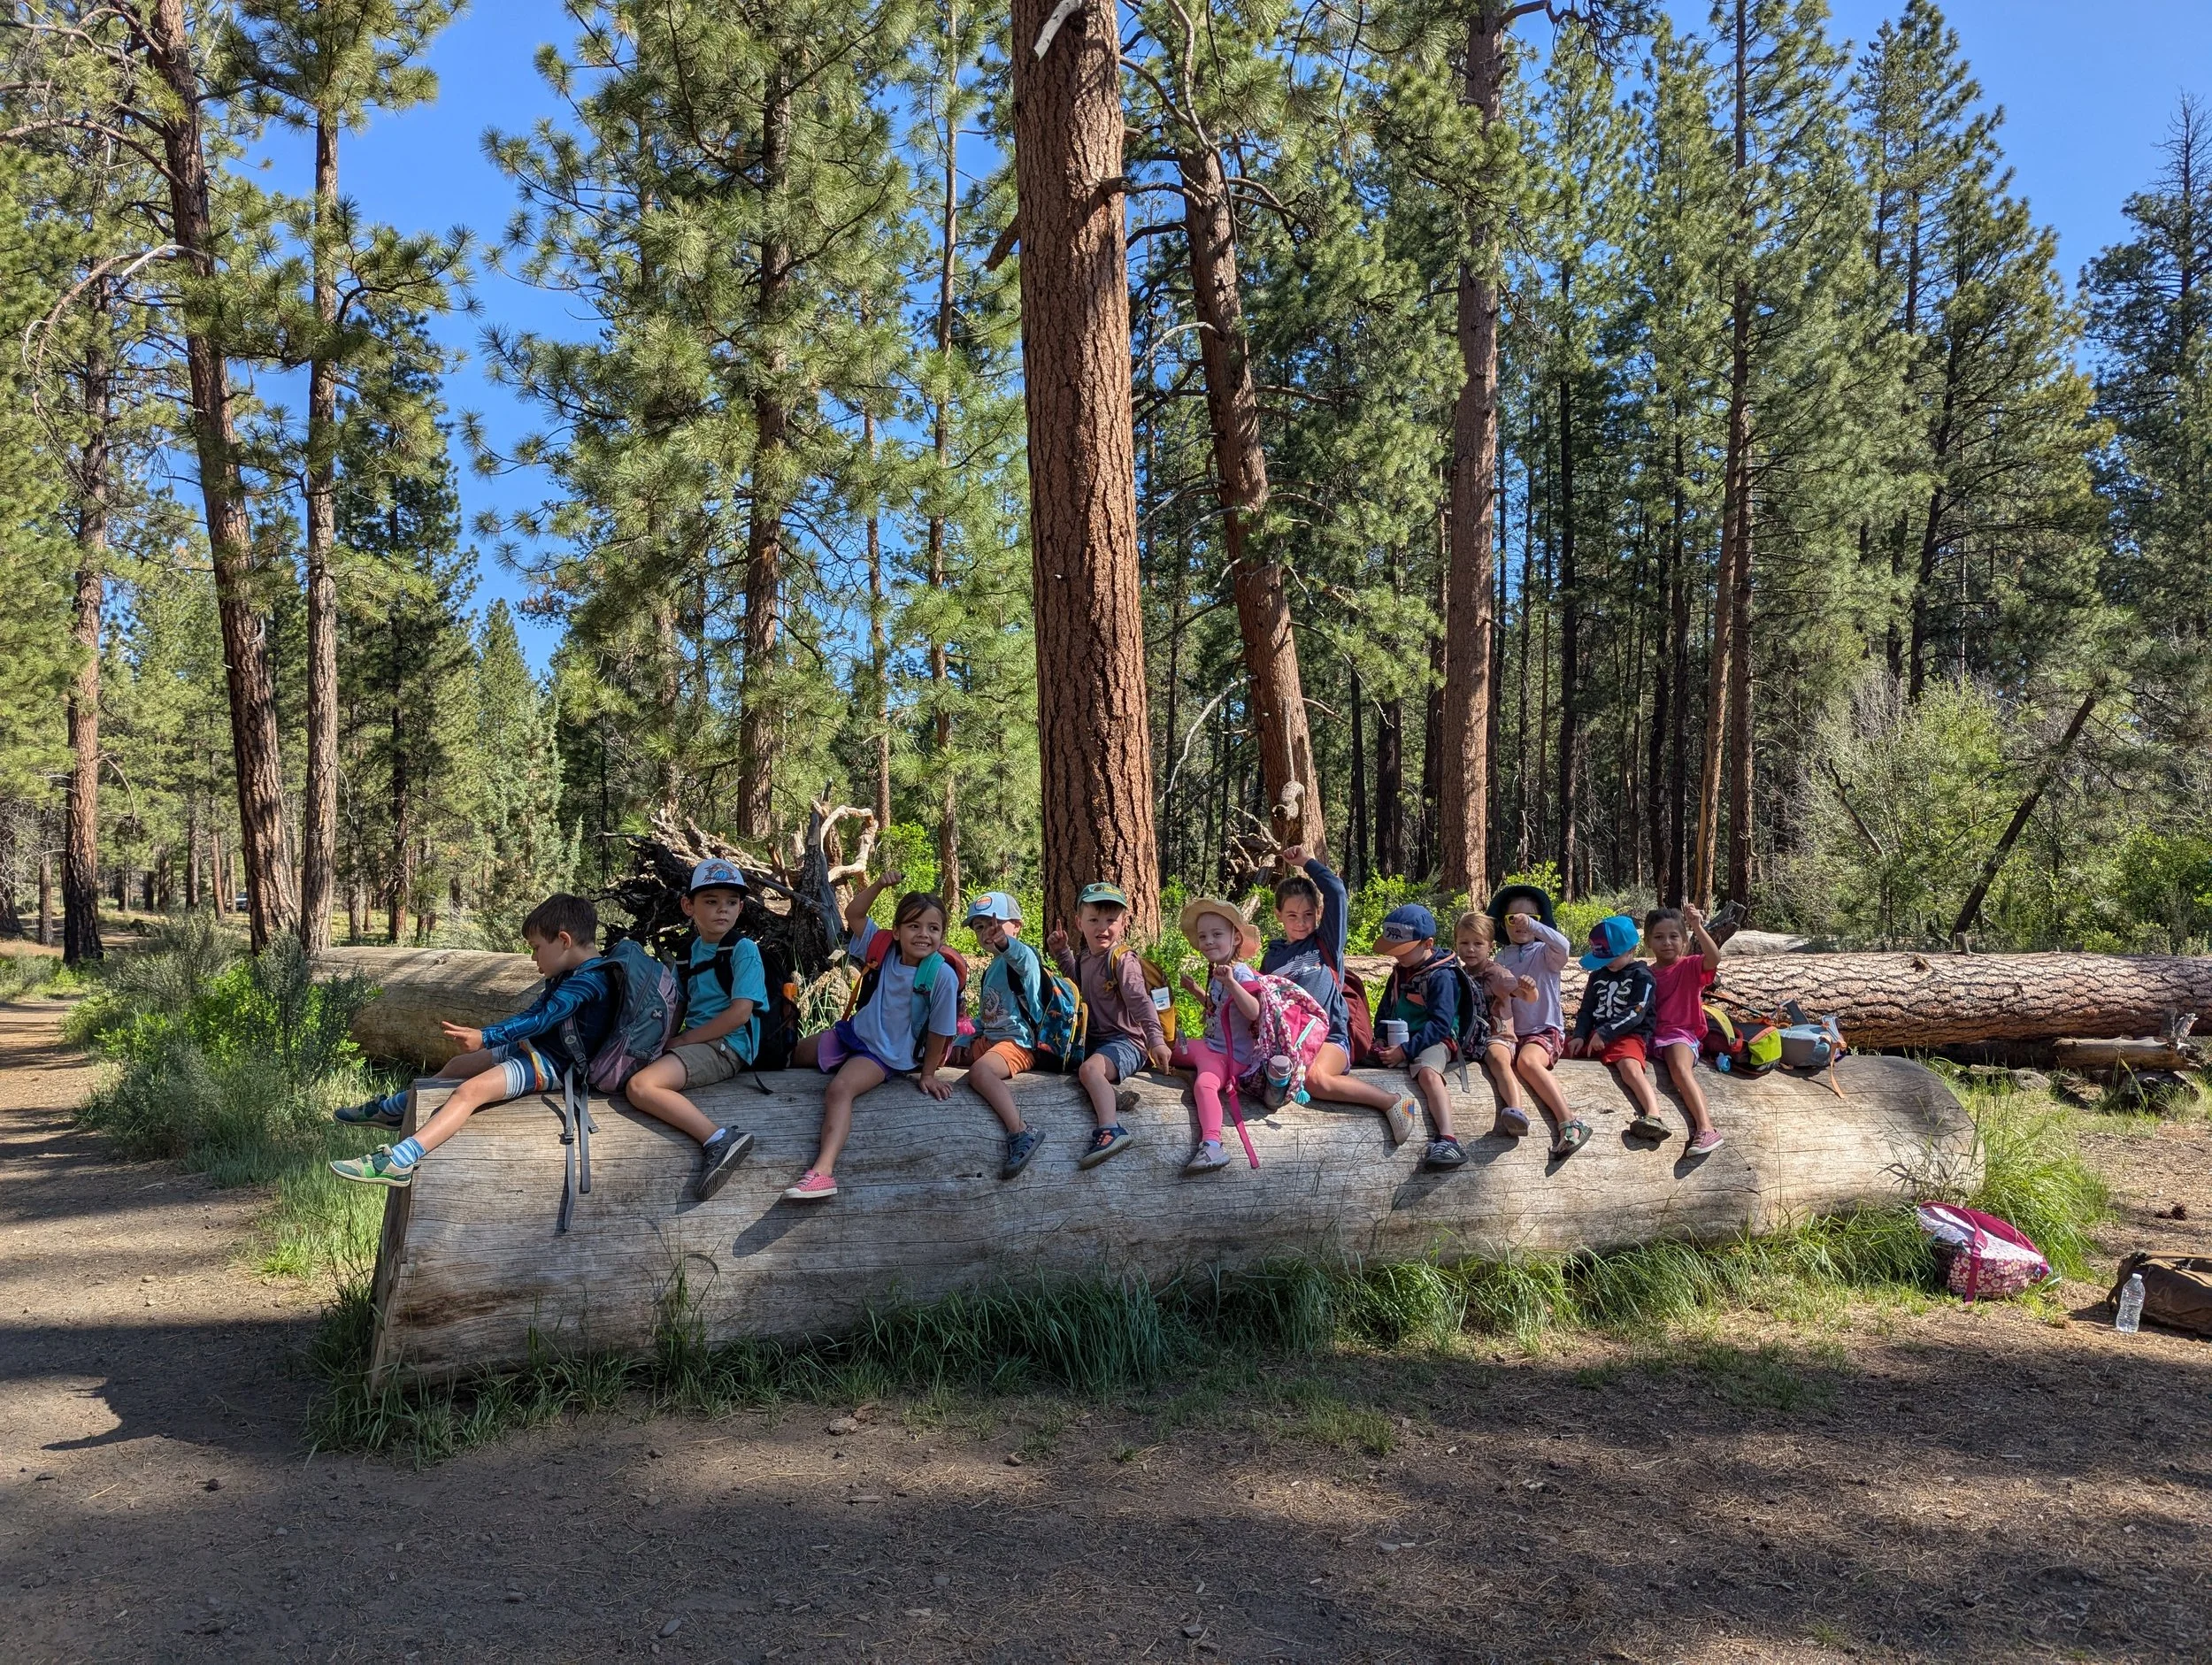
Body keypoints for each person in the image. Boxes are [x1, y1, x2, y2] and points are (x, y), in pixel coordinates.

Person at [331, 894, 620, 1189]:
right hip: (539, 1048)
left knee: (469, 1092)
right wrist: (487, 1038)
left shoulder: (588, 981)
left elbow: (541, 1020)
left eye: (536, 948)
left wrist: (486, 1038)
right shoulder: (572, 974)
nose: (534, 957)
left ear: (563, 940)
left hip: (555, 1065)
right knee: (459, 1065)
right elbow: (536, 1013)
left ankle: (400, 1161)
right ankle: (394, 1109)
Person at [782, 873, 961, 1202]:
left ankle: (823, 1173)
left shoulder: (941, 976)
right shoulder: (884, 949)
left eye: (933, 929)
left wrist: (928, 1074)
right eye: (914, 926)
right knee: (791, 1055)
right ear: (897, 931)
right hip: (854, 1034)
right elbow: (853, 915)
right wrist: (878, 885)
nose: (923, 935)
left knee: (840, 1089)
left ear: (942, 935)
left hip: (883, 1054)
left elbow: (941, 1031)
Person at [617, 858, 764, 1201]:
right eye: (710, 901)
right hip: (699, 1044)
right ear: (689, 906)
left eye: (730, 902)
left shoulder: (743, 950)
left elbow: (740, 1014)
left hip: (727, 1047)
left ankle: (719, 1138)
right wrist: (658, 1040)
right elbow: (679, 1005)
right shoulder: (688, 952)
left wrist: (681, 1041)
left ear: (741, 908)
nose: (721, 911)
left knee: (641, 1086)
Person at [1262, 846, 1419, 1144]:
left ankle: (1392, 1101)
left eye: (1309, 914)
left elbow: (1336, 892)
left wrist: (1307, 862)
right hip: (1288, 1046)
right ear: (1278, 914)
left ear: (1319, 914)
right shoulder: (1272, 958)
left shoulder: (1326, 943)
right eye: (1292, 914)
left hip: (1329, 1039)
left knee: (1316, 1079)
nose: (1301, 922)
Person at [1046, 882, 1170, 1170]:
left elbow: (1140, 1002)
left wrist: (1156, 1040)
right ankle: (1110, 1093)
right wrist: (1062, 952)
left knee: (1089, 1070)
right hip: (1095, 1041)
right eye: (1094, 920)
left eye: (1111, 920)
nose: (1103, 928)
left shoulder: (1124, 960)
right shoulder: (1087, 957)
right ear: (1079, 922)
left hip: (1127, 1042)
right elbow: (1078, 982)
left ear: (1123, 922)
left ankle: (1111, 1130)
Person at [1488, 882, 1589, 1158]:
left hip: (1545, 1030)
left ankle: (1571, 1122)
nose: (1521, 924)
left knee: (1528, 1062)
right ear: (1503, 923)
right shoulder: (1502, 956)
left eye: (1530, 919)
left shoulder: (1547, 953)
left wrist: (1535, 929)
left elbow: (1564, 945)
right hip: (1511, 1034)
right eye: (1513, 919)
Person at [956, 891, 1048, 1180]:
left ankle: (1021, 1131)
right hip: (993, 1041)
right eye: (979, 927)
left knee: (980, 1074)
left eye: (995, 923)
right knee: (942, 1055)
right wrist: (960, 1040)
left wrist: (1006, 943)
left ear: (1017, 926)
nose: (987, 932)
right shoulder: (990, 970)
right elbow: (986, 1020)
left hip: (1018, 1043)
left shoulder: (1025, 956)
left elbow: (1020, 957)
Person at [1371, 903, 1469, 1170]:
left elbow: (1440, 1024)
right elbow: (1385, 1008)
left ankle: (1448, 1138)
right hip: (1405, 1034)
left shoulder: (1442, 976)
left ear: (1428, 943)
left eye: (1402, 950)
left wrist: (1405, 1051)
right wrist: (1380, 1037)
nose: (1396, 956)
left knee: (1427, 1073)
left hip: (1436, 1039)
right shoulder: (1400, 970)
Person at [1174, 897, 1267, 1175]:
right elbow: (1220, 1009)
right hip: (1210, 1047)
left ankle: (1213, 1144)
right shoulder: (1217, 972)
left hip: (1231, 1057)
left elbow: (1253, 1011)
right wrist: (1195, 991)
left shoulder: (1239, 971)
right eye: (1203, 936)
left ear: (1236, 938)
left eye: (1217, 934)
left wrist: (1231, 982)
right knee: (1170, 1046)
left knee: (1204, 1085)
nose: (1208, 941)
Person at [1565, 913, 1668, 1139]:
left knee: (1630, 1068)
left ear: (1631, 950)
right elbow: (1586, 1009)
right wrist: (1580, 1034)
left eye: (1611, 957)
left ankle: (1654, 1114)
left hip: (1628, 1036)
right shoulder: (1597, 975)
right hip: (1595, 1034)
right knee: (1560, 1049)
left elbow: (1636, 1012)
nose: (1606, 963)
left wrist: (1606, 1032)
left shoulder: (1643, 976)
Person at [1645, 903, 1724, 1153]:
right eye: (1658, 937)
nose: (1666, 942)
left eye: (1674, 936)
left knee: (1679, 1068)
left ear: (1684, 941)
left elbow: (1714, 959)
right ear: (1647, 941)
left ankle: (1706, 1128)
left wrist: (1698, 927)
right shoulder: (1645, 973)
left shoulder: (1689, 966)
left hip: (1681, 1035)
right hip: (1651, 1037)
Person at [1454, 910, 1537, 1138]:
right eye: (1464, 942)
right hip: (1468, 1037)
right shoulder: (1457, 973)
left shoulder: (1497, 973)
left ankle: (1516, 1110)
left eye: (1478, 943)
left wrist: (1531, 989)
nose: (1470, 949)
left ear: (1490, 946)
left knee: (1499, 1060)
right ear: (1456, 944)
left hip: (1496, 1035)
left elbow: (1526, 997)